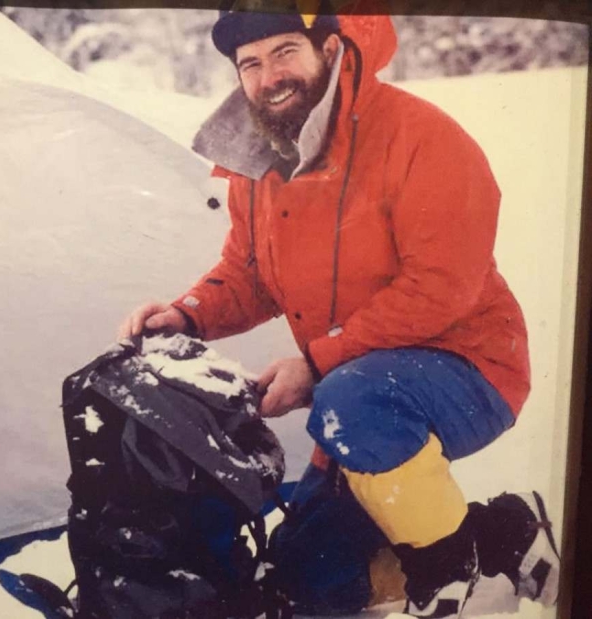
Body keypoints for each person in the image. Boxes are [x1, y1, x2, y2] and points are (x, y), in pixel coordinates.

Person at [118, 3, 560, 617]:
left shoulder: (421, 137)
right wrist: (187, 314)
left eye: (284, 53)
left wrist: (317, 364)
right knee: (308, 577)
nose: (268, 76)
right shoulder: (260, 159)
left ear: (328, 48)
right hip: (352, 389)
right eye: (250, 63)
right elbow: (249, 275)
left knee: (353, 401)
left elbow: (442, 285)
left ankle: (454, 577)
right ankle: (507, 533)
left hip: (471, 369)